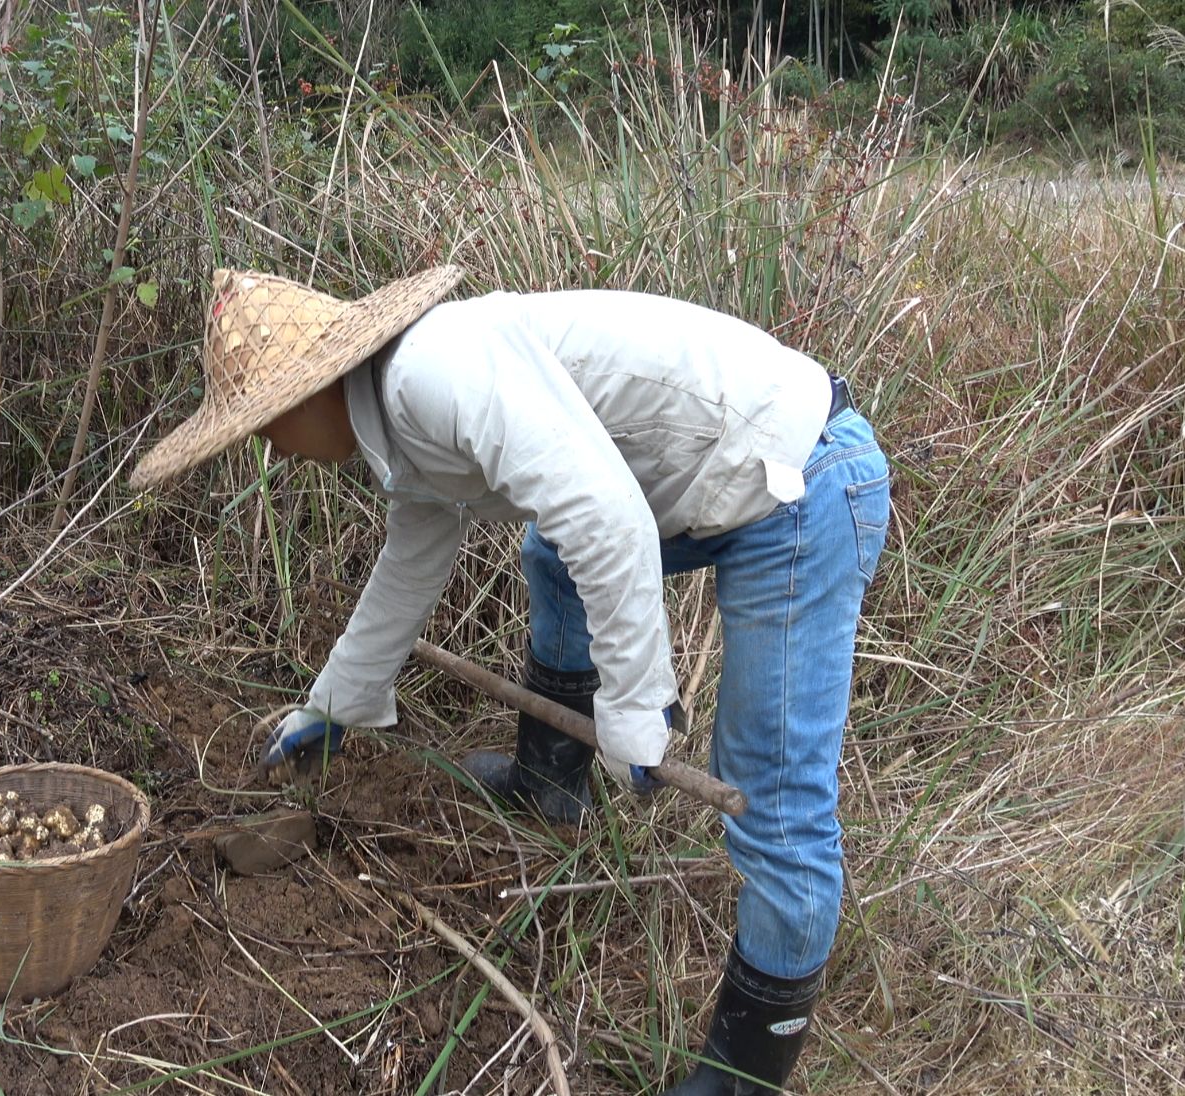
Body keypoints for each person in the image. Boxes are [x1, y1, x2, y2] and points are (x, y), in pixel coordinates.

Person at [131, 265, 891, 1094]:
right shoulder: (396, 412)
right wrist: (334, 704)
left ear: (308, 392)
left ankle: (744, 1075)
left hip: (799, 479)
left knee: (774, 800)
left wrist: (634, 714)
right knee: (551, 552)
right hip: (713, 472)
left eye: (264, 426)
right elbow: (413, 556)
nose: (269, 449)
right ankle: (547, 787)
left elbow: (606, 519)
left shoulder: (433, 375)